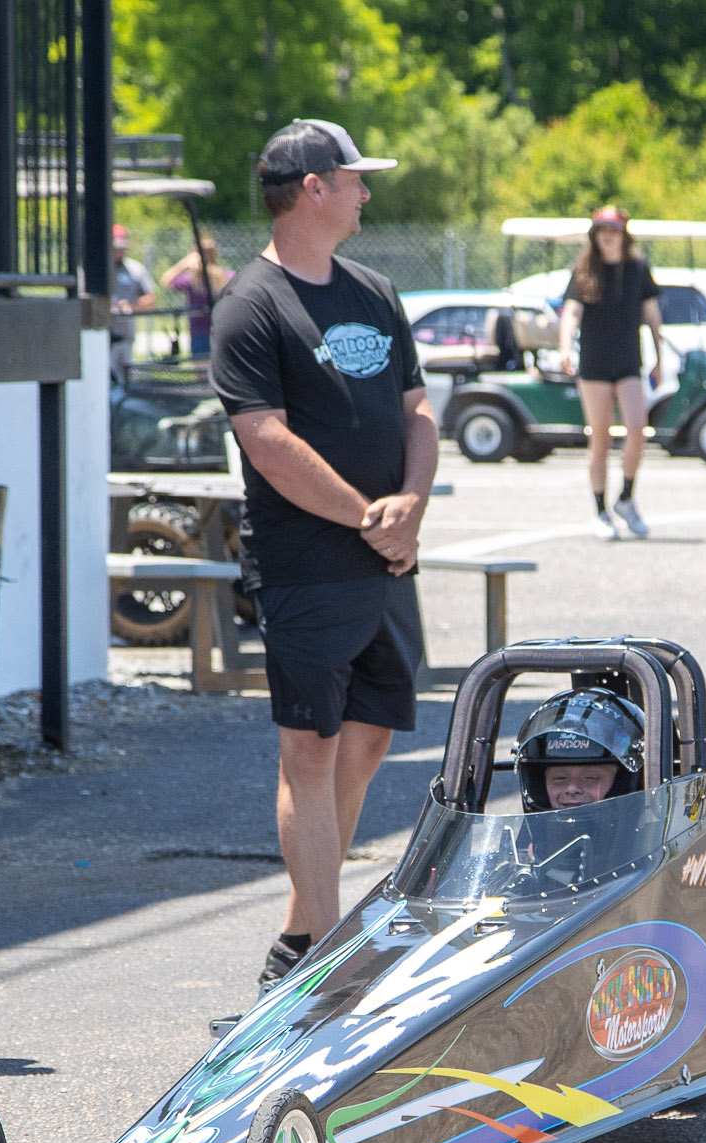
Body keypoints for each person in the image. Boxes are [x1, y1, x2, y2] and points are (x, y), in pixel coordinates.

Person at [210, 118, 438, 996]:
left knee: (370, 734)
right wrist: (367, 516)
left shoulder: (374, 291)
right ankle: (328, 957)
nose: (366, 192)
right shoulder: (250, 305)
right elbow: (267, 442)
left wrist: (409, 504)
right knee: (310, 747)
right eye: (354, 178)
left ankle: (301, 937)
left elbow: (417, 411)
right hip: (306, 562)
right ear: (313, 188)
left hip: (386, 557)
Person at [557, 207, 663, 541]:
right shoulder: (583, 270)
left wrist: (659, 358)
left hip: (628, 362)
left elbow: (652, 315)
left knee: (637, 429)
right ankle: (601, 510)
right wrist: (564, 348)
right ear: (594, 235)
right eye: (602, 230)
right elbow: (571, 311)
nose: (608, 236)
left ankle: (626, 498)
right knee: (600, 438)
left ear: (623, 235)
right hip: (595, 364)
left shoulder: (638, 268)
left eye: (614, 230)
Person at [514, 687, 645, 811]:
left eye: (591, 778)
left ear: (621, 782)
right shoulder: (519, 828)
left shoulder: (651, 827)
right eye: (559, 778)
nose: (572, 789)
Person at [160, 236, 232, 358]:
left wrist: (184, 263)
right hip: (217, 330)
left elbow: (166, 281)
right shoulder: (226, 276)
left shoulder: (195, 278)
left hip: (204, 332)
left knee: (201, 368)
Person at [110, 224, 156, 385]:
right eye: (115, 248)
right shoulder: (96, 269)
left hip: (125, 334)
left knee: (124, 381)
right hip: (102, 334)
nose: (119, 252)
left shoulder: (135, 269)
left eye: (121, 248)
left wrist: (130, 306)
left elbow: (151, 300)